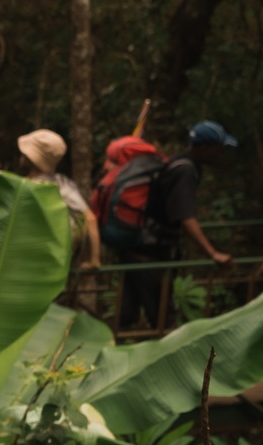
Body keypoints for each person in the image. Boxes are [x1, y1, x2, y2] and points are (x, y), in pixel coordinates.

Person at [120, 119, 238, 330]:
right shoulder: (185, 171)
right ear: (203, 148)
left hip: (140, 248)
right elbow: (186, 217)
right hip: (150, 253)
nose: (220, 154)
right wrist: (213, 253)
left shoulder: (178, 162)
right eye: (218, 149)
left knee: (129, 313)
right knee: (163, 317)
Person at [17, 129, 100, 268]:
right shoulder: (62, 183)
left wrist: (95, 260)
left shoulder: (27, 186)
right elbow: (90, 218)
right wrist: (95, 260)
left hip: (35, 259)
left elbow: (90, 218)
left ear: (31, 157)